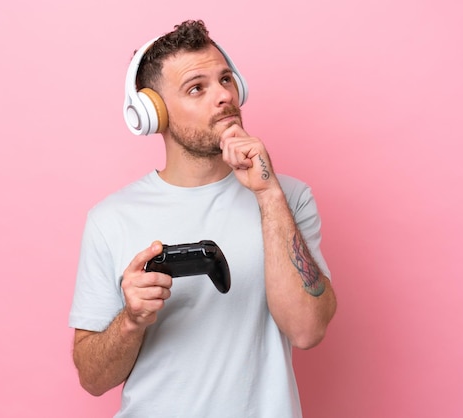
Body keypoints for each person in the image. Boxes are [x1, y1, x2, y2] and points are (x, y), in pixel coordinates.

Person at [69, 19, 337, 417]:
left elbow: (307, 330)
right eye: (198, 88)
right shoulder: (111, 219)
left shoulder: (288, 198)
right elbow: (92, 379)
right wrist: (131, 320)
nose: (224, 97)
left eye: (226, 80)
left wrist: (267, 195)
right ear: (153, 113)